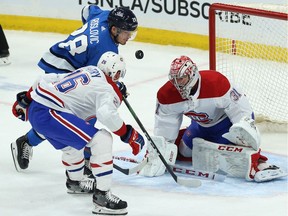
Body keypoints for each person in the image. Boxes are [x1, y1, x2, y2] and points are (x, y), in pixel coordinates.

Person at [12, 52, 145, 215]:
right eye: (119, 74)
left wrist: (26, 99)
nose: (119, 77)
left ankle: (75, 182)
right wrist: (128, 134)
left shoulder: (89, 70)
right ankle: (102, 198)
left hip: (39, 106)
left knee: (72, 146)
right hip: (48, 112)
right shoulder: (106, 90)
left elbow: (45, 79)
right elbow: (106, 114)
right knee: (102, 139)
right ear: (116, 73)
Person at [11, 5, 138, 172]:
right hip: (62, 70)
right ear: (113, 29)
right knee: (83, 115)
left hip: (58, 56)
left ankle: (26, 141)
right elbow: (97, 81)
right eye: (126, 32)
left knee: (60, 117)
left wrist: (88, 36)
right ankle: (85, 160)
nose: (128, 36)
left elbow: (87, 9)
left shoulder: (104, 15)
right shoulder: (104, 49)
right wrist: (116, 86)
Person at [139, 55, 286, 182]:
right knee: (184, 152)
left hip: (226, 126)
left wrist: (243, 131)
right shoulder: (167, 95)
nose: (178, 83)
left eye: (182, 78)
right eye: (174, 79)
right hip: (200, 127)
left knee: (234, 153)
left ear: (192, 75)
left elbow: (241, 111)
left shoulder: (216, 83)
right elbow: (165, 130)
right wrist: (160, 151)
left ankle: (260, 163)